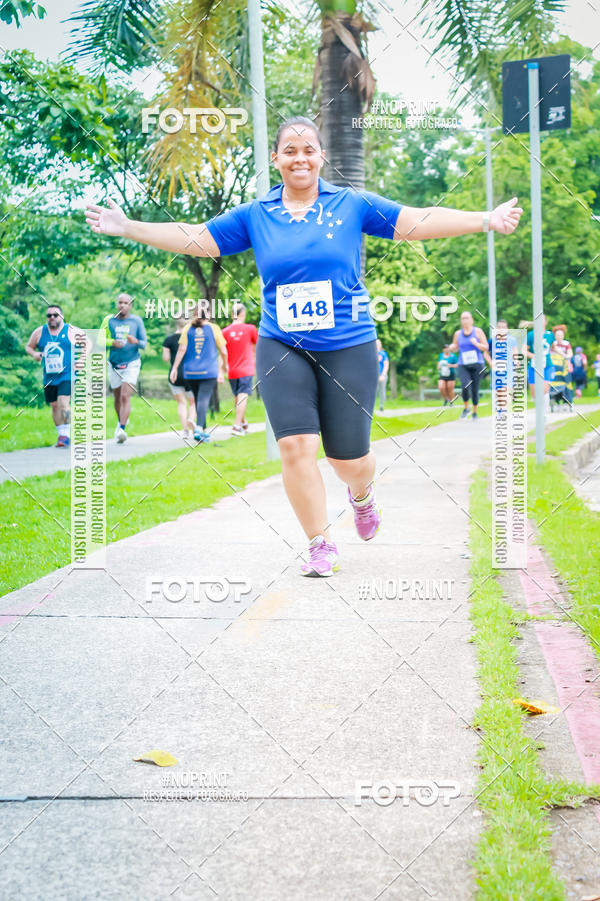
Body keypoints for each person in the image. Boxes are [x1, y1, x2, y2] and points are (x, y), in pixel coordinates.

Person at [85, 115, 522, 576]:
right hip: (282, 344)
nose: (300, 158)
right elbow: (197, 238)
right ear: (276, 159)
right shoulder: (257, 215)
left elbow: (414, 221)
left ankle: (361, 493)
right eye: (289, 150)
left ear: (321, 157)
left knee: (348, 459)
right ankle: (319, 542)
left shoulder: (350, 205)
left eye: (308, 149)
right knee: (294, 446)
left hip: (349, 344)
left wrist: (484, 220)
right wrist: (129, 226)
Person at [25, 305, 87, 447]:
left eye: (55, 315)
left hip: (68, 374)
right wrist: (34, 354)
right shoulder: (40, 332)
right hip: (49, 376)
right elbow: (29, 347)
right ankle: (61, 436)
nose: (52, 317)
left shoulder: (71, 330)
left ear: (62, 316)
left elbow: (87, 343)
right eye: (49, 315)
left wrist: (82, 359)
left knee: (63, 403)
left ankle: (67, 435)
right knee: (54, 406)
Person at [170, 307, 228, 443]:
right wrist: (225, 366)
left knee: (198, 399)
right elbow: (223, 351)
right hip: (209, 371)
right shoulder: (214, 328)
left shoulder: (187, 328)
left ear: (194, 314)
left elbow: (181, 349)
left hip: (190, 372)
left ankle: (204, 432)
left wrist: (174, 368)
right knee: (203, 400)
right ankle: (200, 428)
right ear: (208, 314)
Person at [100, 293, 147, 443]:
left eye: (126, 303)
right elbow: (99, 339)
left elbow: (144, 343)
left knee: (125, 396)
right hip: (114, 363)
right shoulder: (110, 320)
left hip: (132, 362)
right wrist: (112, 342)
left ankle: (121, 429)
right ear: (116, 304)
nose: (122, 305)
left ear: (130, 305)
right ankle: (121, 421)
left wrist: (136, 341)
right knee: (117, 397)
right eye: (120, 302)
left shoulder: (136, 321)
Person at [222, 303, 258, 436]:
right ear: (243, 314)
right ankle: (236, 426)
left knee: (238, 397)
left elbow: (222, 352)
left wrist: (221, 370)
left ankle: (242, 422)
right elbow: (257, 346)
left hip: (232, 370)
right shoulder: (250, 329)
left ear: (232, 314)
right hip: (246, 369)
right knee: (243, 396)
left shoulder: (224, 332)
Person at [450, 311, 490, 420]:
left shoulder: (478, 332)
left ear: (471, 319)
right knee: (465, 386)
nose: (465, 320)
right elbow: (455, 347)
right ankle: (466, 408)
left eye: (467, 318)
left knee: (475, 389)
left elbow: (486, 347)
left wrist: (476, 344)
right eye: (462, 318)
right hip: (463, 364)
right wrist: (452, 347)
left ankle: (475, 412)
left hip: (477, 363)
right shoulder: (458, 334)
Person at [162, 317, 196, 439]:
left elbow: (165, 358)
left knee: (181, 403)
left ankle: (185, 431)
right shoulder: (192, 338)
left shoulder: (168, 340)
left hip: (174, 374)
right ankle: (191, 419)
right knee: (193, 403)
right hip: (190, 374)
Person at [488, 320, 518, 418]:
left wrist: (516, 363)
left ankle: (504, 411)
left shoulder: (512, 339)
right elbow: (486, 352)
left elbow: (515, 353)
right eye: (499, 327)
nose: (501, 329)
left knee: (507, 389)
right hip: (497, 369)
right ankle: (500, 409)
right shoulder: (492, 340)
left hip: (509, 368)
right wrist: (490, 363)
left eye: (503, 327)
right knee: (500, 391)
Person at [525, 316, 554, 407]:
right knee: (534, 393)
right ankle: (539, 412)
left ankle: (544, 413)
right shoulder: (531, 335)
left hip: (547, 365)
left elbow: (553, 348)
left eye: (542, 320)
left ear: (546, 322)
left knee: (544, 390)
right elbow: (523, 350)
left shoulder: (550, 335)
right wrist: (533, 356)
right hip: (534, 366)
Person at [376, 339, 389, 411]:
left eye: (379, 344)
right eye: (376, 344)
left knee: (382, 391)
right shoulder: (372, 353)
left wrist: (383, 375)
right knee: (374, 391)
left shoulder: (383, 353)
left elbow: (386, 364)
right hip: (374, 376)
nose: (377, 345)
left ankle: (381, 406)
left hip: (382, 375)